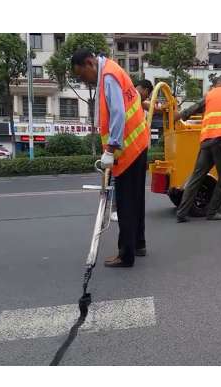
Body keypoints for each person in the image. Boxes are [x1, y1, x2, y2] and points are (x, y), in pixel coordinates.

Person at [71, 49, 149, 268]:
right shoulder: (112, 70)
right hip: (138, 144)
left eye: (81, 75)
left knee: (125, 203)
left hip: (128, 150)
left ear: (89, 63)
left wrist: (110, 149)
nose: (82, 80)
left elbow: (118, 114)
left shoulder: (108, 76)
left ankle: (126, 255)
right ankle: (138, 245)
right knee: (136, 200)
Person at [174, 75, 221, 222]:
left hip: (206, 141)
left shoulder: (210, 95)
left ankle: (181, 213)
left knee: (196, 177)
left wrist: (177, 116)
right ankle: (212, 212)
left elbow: (192, 109)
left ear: (218, 84)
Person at [110, 78, 154, 222]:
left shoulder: (131, 96)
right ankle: (116, 209)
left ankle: (120, 208)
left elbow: (145, 105)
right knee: (118, 179)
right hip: (121, 145)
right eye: (147, 95)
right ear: (146, 90)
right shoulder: (131, 96)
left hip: (123, 145)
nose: (146, 98)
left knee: (120, 179)